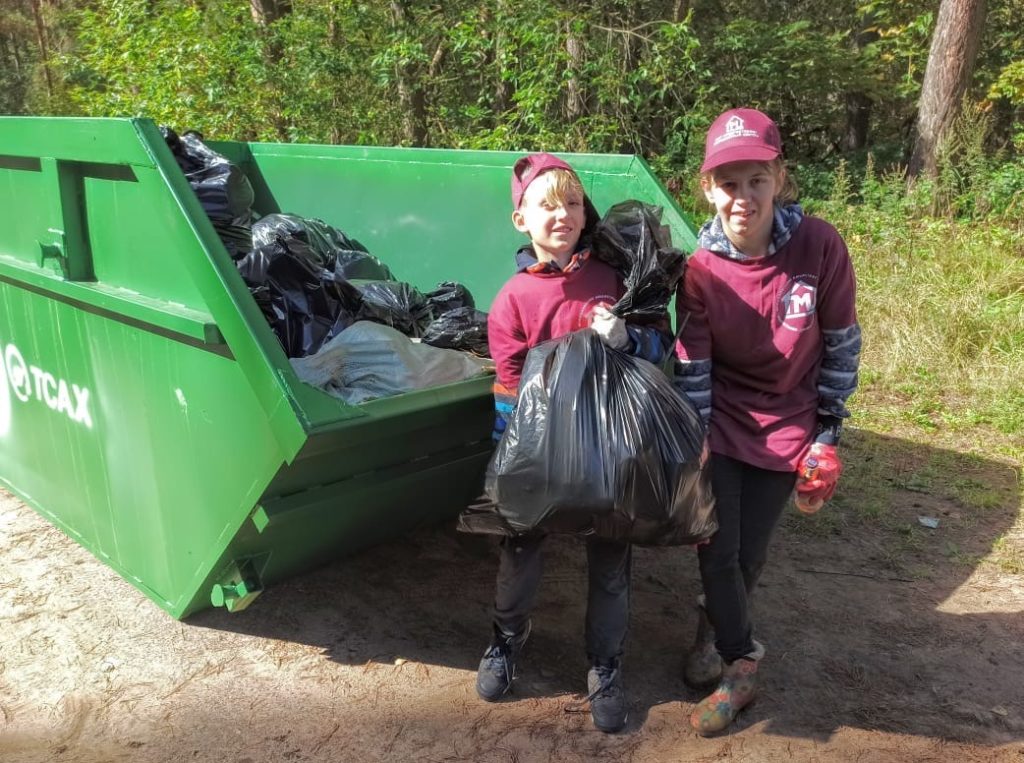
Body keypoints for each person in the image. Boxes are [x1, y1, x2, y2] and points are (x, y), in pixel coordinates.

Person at [674, 108, 861, 735]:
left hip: (790, 424)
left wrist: (828, 433)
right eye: (728, 183)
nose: (742, 197)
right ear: (707, 188)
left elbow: (841, 341)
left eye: (756, 180)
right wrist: (697, 437)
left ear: (778, 177)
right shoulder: (698, 270)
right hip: (724, 419)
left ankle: (713, 627)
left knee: (749, 553)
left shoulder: (820, 246)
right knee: (715, 547)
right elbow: (693, 357)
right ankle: (740, 663)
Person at [476, 152, 673, 733]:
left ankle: (605, 665)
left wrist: (629, 338)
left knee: (611, 554)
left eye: (571, 202)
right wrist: (507, 460)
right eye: (546, 204)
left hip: (611, 449)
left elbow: (661, 351)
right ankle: (507, 638)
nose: (560, 214)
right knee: (520, 549)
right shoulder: (513, 298)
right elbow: (509, 389)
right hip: (539, 451)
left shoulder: (612, 281)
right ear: (522, 220)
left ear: (585, 212)